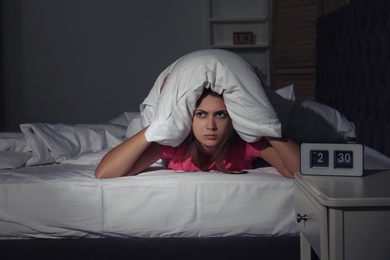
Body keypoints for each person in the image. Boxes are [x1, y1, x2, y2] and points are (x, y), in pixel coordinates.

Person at [95, 88, 300, 179]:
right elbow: (105, 173)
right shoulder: (174, 145)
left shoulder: (245, 144)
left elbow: (298, 172)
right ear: (189, 119)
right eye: (201, 114)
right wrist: (156, 127)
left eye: (220, 115)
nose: (211, 125)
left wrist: (267, 127)